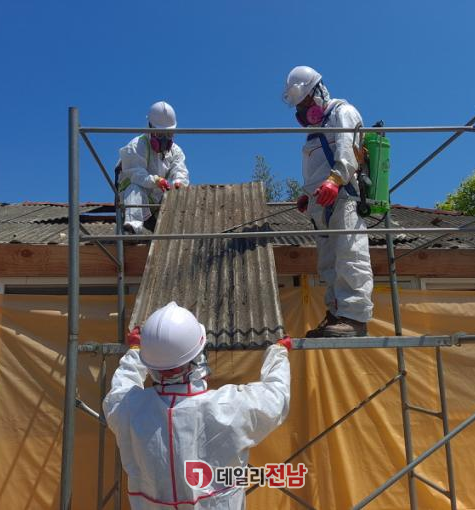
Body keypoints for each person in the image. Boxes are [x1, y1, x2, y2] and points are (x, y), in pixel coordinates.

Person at [103, 302, 291, 509]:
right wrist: (278, 353)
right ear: (198, 356)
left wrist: (135, 353)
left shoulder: (129, 408)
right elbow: (276, 397)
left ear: (151, 365)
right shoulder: (229, 406)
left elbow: (120, 388)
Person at [282, 66, 373, 337]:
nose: (303, 111)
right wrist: (307, 194)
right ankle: (336, 314)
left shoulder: (343, 112)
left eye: (306, 102)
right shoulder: (314, 130)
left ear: (320, 91)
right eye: (299, 107)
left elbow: (348, 151)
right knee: (329, 263)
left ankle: (355, 318)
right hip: (320, 202)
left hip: (343, 195)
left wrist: (335, 179)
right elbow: (315, 168)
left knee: (350, 255)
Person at [117, 101, 190, 235]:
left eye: (169, 135)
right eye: (160, 134)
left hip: (158, 201)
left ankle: (174, 230)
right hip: (137, 200)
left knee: (179, 196)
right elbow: (136, 175)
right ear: (150, 128)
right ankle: (132, 228)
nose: (164, 140)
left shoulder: (175, 151)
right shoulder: (137, 146)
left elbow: (180, 170)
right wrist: (155, 180)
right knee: (134, 187)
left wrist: (178, 182)